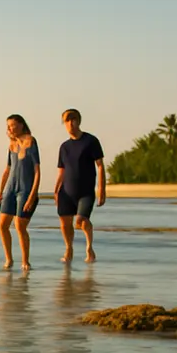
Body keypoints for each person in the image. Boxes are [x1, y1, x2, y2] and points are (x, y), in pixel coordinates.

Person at [54, 108, 105, 263]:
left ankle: (89, 247)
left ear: (78, 121)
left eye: (73, 119)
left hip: (86, 191)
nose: (70, 123)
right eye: (67, 121)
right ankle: (69, 248)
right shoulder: (64, 147)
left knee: (81, 220)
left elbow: (100, 166)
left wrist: (102, 189)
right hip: (66, 191)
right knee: (65, 223)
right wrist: (56, 190)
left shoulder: (91, 141)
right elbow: (61, 171)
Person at [0, 114, 40, 271]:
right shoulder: (11, 145)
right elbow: (7, 170)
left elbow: (37, 171)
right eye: (8, 126)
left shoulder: (31, 142)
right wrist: (0, 193)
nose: (9, 129)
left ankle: (25, 261)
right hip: (10, 189)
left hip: (26, 190)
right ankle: (9, 259)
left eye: (12, 125)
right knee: (2, 225)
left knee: (20, 226)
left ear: (21, 125)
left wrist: (32, 196)